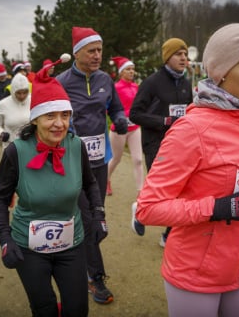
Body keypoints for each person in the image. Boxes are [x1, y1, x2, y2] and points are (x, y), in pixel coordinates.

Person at [135, 23, 239, 317]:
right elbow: (148, 209)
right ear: (221, 72)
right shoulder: (191, 129)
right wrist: (221, 208)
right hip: (196, 276)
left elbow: (229, 176)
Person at [0, 56, 105, 316]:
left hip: (72, 243)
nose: (60, 123)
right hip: (28, 248)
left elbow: (90, 184)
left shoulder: (76, 146)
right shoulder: (15, 153)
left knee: (77, 310)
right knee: (44, 309)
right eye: (50, 116)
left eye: (65, 115)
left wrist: (98, 215)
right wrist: (4, 238)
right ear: (34, 120)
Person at [56, 26, 128, 305]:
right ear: (77, 53)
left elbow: (116, 108)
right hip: (71, 160)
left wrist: (119, 119)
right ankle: (94, 277)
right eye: (92, 50)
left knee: (95, 215)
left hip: (98, 160)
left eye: (100, 50)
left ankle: (75, 259)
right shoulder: (62, 82)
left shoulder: (105, 80)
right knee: (89, 219)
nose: (98, 55)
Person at [129, 37, 193, 245]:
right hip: (155, 142)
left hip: (180, 143)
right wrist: (164, 120)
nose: (183, 58)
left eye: (185, 54)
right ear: (167, 58)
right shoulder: (152, 82)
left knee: (179, 189)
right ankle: (140, 210)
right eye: (178, 54)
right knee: (160, 189)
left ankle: (168, 234)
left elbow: (190, 109)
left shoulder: (186, 82)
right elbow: (135, 114)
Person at [107, 56, 144, 224]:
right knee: (116, 159)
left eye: (133, 69)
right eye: (128, 69)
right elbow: (110, 107)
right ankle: (106, 180)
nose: (132, 72)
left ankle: (140, 191)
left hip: (135, 128)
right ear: (121, 72)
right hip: (119, 130)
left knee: (137, 159)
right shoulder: (115, 88)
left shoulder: (137, 87)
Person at [0, 73, 31, 150]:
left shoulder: (33, 100)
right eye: (18, 93)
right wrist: (1, 133)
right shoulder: (3, 104)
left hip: (30, 146)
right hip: (11, 147)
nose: (22, 96)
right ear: (13, 91)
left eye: (25, 92)